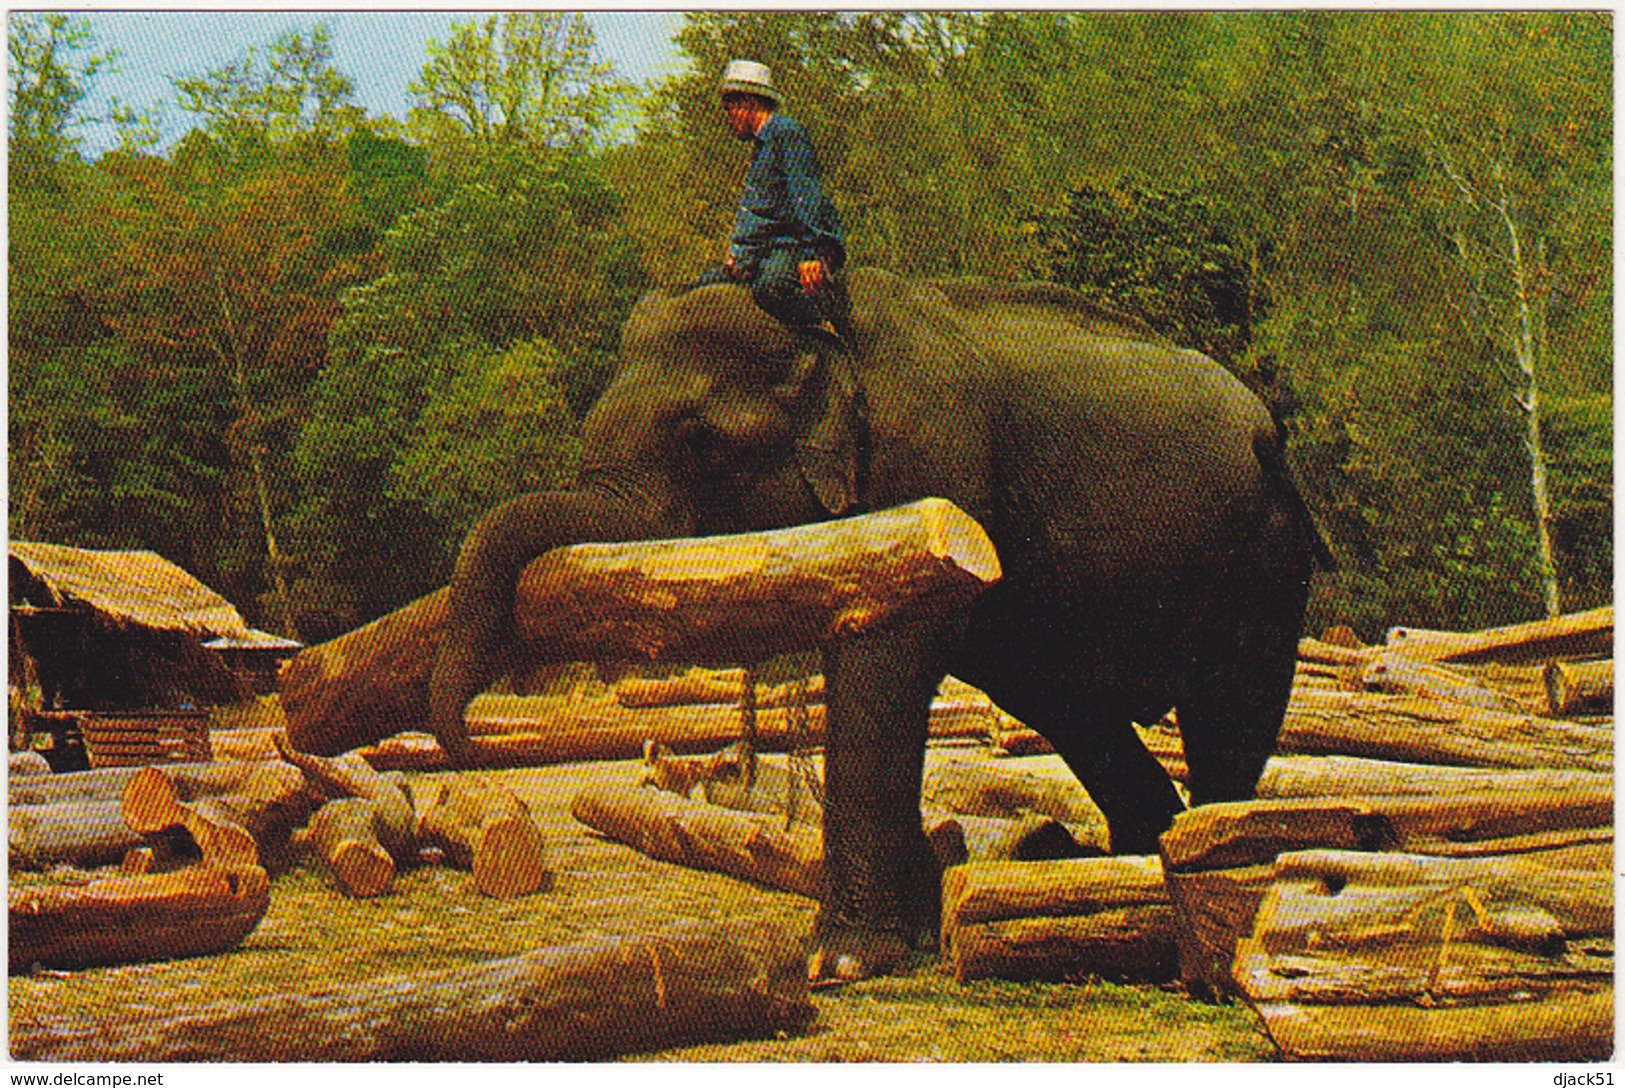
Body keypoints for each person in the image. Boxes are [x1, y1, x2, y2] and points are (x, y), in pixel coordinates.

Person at [699, 59, 851, 345]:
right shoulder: (761, 146)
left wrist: (811, 253)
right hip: (767, 248)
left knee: (772, 289)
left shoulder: (786, 134)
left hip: (791, 244)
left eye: (729, 108)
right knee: (703, 287)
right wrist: (739, 253)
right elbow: (762, 213)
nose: (728, 117)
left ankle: (825, 333)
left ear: (748, 102)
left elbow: (806, 195)